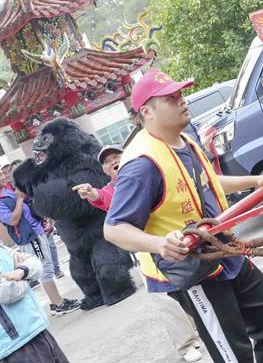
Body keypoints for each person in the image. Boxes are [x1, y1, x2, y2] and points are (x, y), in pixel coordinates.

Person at [103, 69, 263, 363]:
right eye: (171, 98)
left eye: (181, 94)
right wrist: (159, 244)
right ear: (147, 112)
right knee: (233, 353)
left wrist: (256, 181)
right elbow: (113, 229)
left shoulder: (184, 141)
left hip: (224, 250)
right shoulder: (141, 164)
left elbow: (208, 182)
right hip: (194, 269)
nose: (182, 101)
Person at [74, 145, 203, 363]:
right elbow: (102, 197)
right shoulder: (114, 189)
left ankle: (202, 329)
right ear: (105, 170)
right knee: (165, 298)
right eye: (107, 161)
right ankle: (187, 343)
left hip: (176, 239)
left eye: (117, 156)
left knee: (194, 287)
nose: (113, 161)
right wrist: (91, 193)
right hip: (148, 252)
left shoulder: (146, 173)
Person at [0, 182, 79, 317]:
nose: (2, 176)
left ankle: (57, 302)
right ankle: (58, 304)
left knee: (46, 267)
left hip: (37, 232)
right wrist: (19, 199)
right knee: (44, 269)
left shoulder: (9, 190)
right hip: (30, 238)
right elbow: (12, 220)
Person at [0, 245, 69, 362]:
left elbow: (35, 263)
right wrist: (26, 276)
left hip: (36, 329)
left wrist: (21, 272)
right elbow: (7, 291)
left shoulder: (2, 248)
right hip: (15, 346)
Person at [8, 160, 64, 281]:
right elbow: (15, 218)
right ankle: (56, 297)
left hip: (42, 226)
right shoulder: (15, 192)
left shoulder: (34, 183)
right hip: (34, 232)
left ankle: (57, 270)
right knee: (44, 267)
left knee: (50, 252)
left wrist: (49, 221)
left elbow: (45, 202)